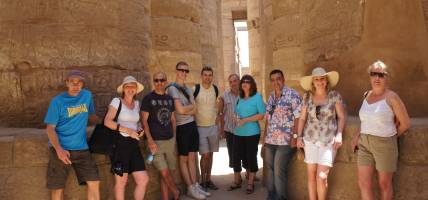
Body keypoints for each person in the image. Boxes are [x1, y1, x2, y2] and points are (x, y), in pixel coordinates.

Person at [351, 60, 411, 200]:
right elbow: (366, 119)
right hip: (364, 144)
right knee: (363, 183)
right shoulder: (366, 95)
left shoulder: (392, 97)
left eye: (381, 75)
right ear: (370, 76)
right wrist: (356, 136)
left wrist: (391, 137)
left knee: (384, 184)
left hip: (385, 144)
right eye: (373, 74)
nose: (377, 78)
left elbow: (406, 123)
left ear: (387, 77)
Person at [44, 70, 100, 200]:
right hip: (61, 149)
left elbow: (91, 115)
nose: (76, 85)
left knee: (94, 182)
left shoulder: (87, 96)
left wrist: (107, 121)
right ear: (67, 83)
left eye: (79, 82)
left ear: (82, 84)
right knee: (58, 188)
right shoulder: (57, 101)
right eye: (72, 82)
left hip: (82, 148)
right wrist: (59, 150)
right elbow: (50, 129)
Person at [296, 67, 346, 200]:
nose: (319, 81)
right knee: (311, 176)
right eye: (316, 79)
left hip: (328, 140)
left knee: (321, 177)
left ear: (326, 80)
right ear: (313, 82)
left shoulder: (334, 96)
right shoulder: (307, 97)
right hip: (309, 139)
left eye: (322, 78)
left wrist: (339, 134)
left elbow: (341, 117)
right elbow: (302, 118)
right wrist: (298, 136)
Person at [166, 61, 210, 199]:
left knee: (192, 157)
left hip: (191, 125)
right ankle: (190, 188)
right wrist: (188, 109)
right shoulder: (172, 89)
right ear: (176, 71)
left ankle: (195, 185)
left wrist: (187, 110)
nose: (184, 73)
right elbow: (179, 110)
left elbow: (194, 109)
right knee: (183, 159)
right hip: (181, 127)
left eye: (186, 71)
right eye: (182, 70)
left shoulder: (188, 89)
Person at [104, 76, 149, 200]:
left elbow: (137, 123)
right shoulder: (116, 101)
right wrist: (128, 130)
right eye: (127, 86)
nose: (130, 89)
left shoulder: (137, 104)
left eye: (133, 86)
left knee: (143, 179)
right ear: (123, 89)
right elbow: (107, 122)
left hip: (134, 145)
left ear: (136, 89)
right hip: (120, 145)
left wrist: (140, 130)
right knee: (121, 182)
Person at [141, 72, 180, 200]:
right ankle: (175, 192)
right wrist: (150, 141)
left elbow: (173, 119)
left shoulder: (169, 99)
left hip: (169, 140)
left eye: (162, 80)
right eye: (156, 80)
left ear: (166, 81)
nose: (159, 83)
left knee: (167, 172)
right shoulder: (148, 99)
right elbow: (144, 121)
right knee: (164, 171)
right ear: (154, 81)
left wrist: (174, 138)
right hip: (155, 142)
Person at [263, 69, 302, 200]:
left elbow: (299, 117)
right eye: (273, 80)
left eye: (278, 79)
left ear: (283, 79)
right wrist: (264, 138)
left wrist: (295, 137)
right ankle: (271, 195)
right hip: (270, 139)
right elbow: (268, 118)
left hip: (286, 140)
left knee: (278, 168)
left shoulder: (292, 94)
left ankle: (281, 197)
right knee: (269, 168)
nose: (276, 82)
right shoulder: (271, 96)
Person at [229, 74, 266, 194]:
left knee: (251, 157)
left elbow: (261, 115)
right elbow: (236, 112)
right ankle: (237, 180)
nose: (245, 83)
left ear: (252, 84)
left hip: (252, 133)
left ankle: (250, 183)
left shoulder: (257, 97)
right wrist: (235, 117)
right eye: (243, 81)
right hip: (238, 132)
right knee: (236, 157)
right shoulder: (239, 98)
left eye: (248, 81)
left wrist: (245, 120)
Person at [193, 66, 220, 191]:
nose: (208, 77)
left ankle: (208, 180)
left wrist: (218, 116)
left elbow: (219, 103)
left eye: (210, 75)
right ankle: (203, 181)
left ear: (212, 76)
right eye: (205, 75)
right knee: (205, 155)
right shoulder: (196, 89)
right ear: (201, 76)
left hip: (213, 127)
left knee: (211, 154)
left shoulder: (215, 89)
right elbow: (190, 105)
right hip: (200, 127)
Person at [218, 74, 240, 169]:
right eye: (230, 82)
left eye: (234, 81)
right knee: (233, 154)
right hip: (230, 130)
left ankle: (248, 174)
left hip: (244, 130)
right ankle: (237, 178)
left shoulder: (246, 93)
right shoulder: (224, 96)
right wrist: (221, 130)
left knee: (247, 153)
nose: (233, 84)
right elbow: (221, 114)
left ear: (239, 81)